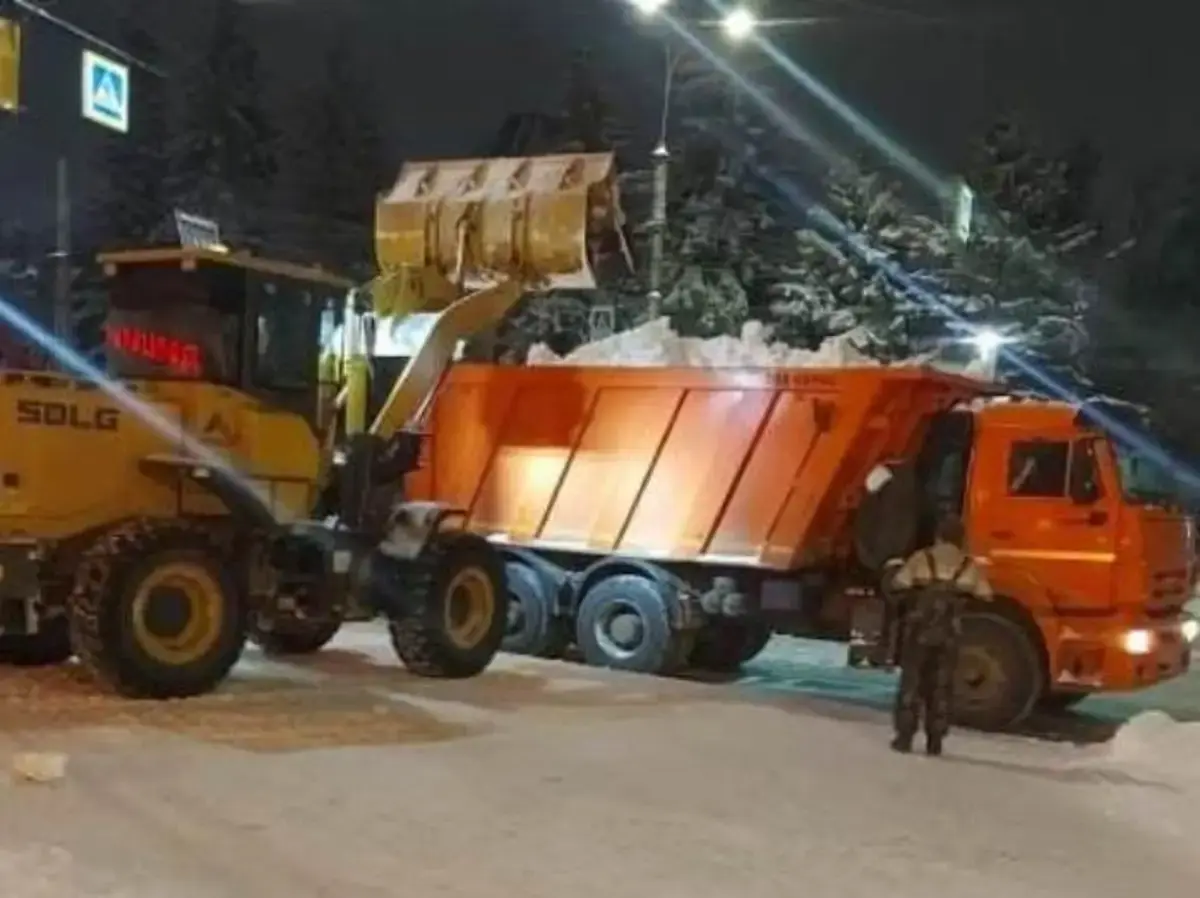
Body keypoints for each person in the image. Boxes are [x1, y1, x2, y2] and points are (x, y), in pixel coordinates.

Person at [883, 515, 992, 756]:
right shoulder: (968, 565)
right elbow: (986, 595)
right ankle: (935, 741)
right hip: (948, 634)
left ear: (938, 536)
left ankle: (904, 738)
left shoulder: (922, 558)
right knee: (941, 686)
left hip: (919, 632)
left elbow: (900, 584)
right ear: (961, 539)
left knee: (912, 682)